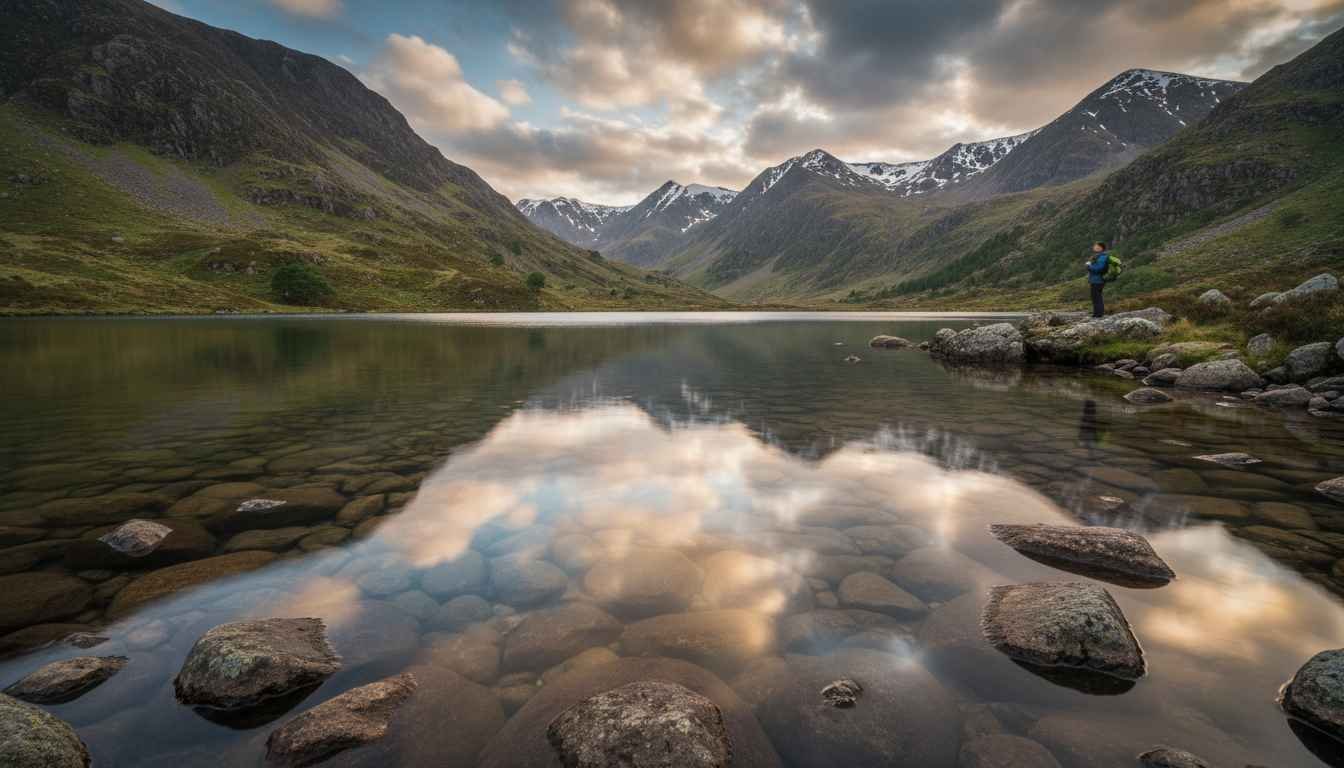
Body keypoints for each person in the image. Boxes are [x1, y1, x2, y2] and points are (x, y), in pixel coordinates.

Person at [1085, 242, 1110, 318]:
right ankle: (1096, 314)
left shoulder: (1102, 257)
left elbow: (1098, 269)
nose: (1094, 247)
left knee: (1097, 297)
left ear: (1100, 248)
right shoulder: (1099, 256)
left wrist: (1089, 266)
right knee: (1095, 297)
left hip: (1098, 280)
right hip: (1096, 280)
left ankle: (1098, 315)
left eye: (1095, 246)